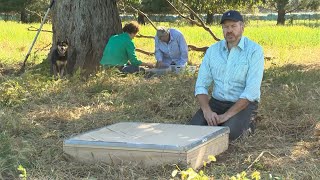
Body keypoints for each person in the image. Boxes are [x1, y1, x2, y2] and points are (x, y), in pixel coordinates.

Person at [190, 10, 264, 140]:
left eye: (233, 26)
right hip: (217, 102)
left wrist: (226, 116)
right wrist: (207, 111)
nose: (229, 30)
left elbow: (251, 92)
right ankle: (225, 121)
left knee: (229, 134)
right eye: (225, 27)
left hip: (242, 104)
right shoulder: (213, 50)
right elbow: (201, 85)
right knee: (194, 129)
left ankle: (249, 122)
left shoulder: (254, 51)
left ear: (242, 27)